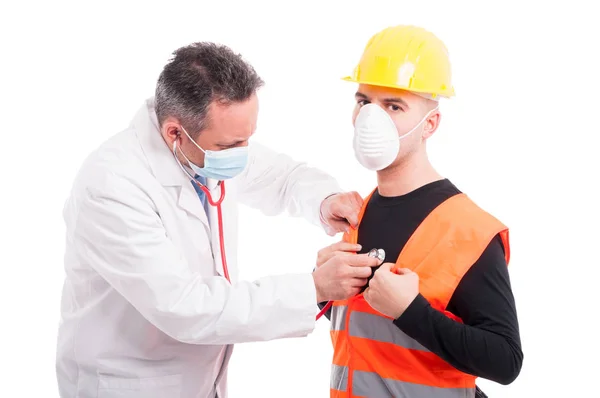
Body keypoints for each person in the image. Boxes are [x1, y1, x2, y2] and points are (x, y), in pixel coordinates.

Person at [55, 42, 380, 398]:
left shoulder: (206, 146)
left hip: (201, 379)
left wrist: (324, 200)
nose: (243, 154)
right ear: (174, 133)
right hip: (131, 384)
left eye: (248, 138)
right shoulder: (112, 184)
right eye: (230, 145)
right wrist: (314, 288)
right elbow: (185, 307)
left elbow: (282, 177)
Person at [316, 25, 523, 397]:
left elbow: (505, 362)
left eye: (394, 106)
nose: (370, 119)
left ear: (430, 123)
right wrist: (323, 290)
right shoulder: (357, 216)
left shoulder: (467, 230)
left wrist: (412, 311)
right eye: (364, 101)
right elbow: (370, 341)